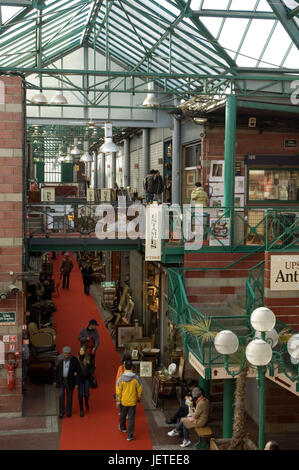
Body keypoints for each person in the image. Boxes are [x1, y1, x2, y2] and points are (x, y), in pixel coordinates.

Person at [116, 359, 143, 441]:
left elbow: (118, 390)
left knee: (122, 415)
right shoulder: (136, 378)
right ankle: (130, 435)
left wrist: (118, 400)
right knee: (131, 418)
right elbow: (140, 389)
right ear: (132, 367)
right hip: (132, 401)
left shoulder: (121, 378)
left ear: (124, 367)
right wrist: (138, 397)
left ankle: (123, 427)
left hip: (123, 401)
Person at [54, 346, 79, 419]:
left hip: (70, 381)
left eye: (67, 354)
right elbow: (56, 370)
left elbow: (77, 372)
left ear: (70, 354)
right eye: (65, 354)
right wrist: (55, 380)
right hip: (61, 380)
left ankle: (68, 412)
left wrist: (77, 383)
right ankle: (61, 412)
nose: (66, 355)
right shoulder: (60, 359)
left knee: (69, 397)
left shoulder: (74, 360)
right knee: (61, 396)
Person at [77, 345, 95, 417]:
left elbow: (93, 367)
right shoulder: (77, 359)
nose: (80, 352)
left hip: (87, 378)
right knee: (80, 394)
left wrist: (90, 372)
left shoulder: (89, 359)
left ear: (85, 352)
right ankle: (81, 409)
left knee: (87, 393)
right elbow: (75, 368)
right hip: (80, 379)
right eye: (80, 350)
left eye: (82, 350)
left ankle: (86, 402)